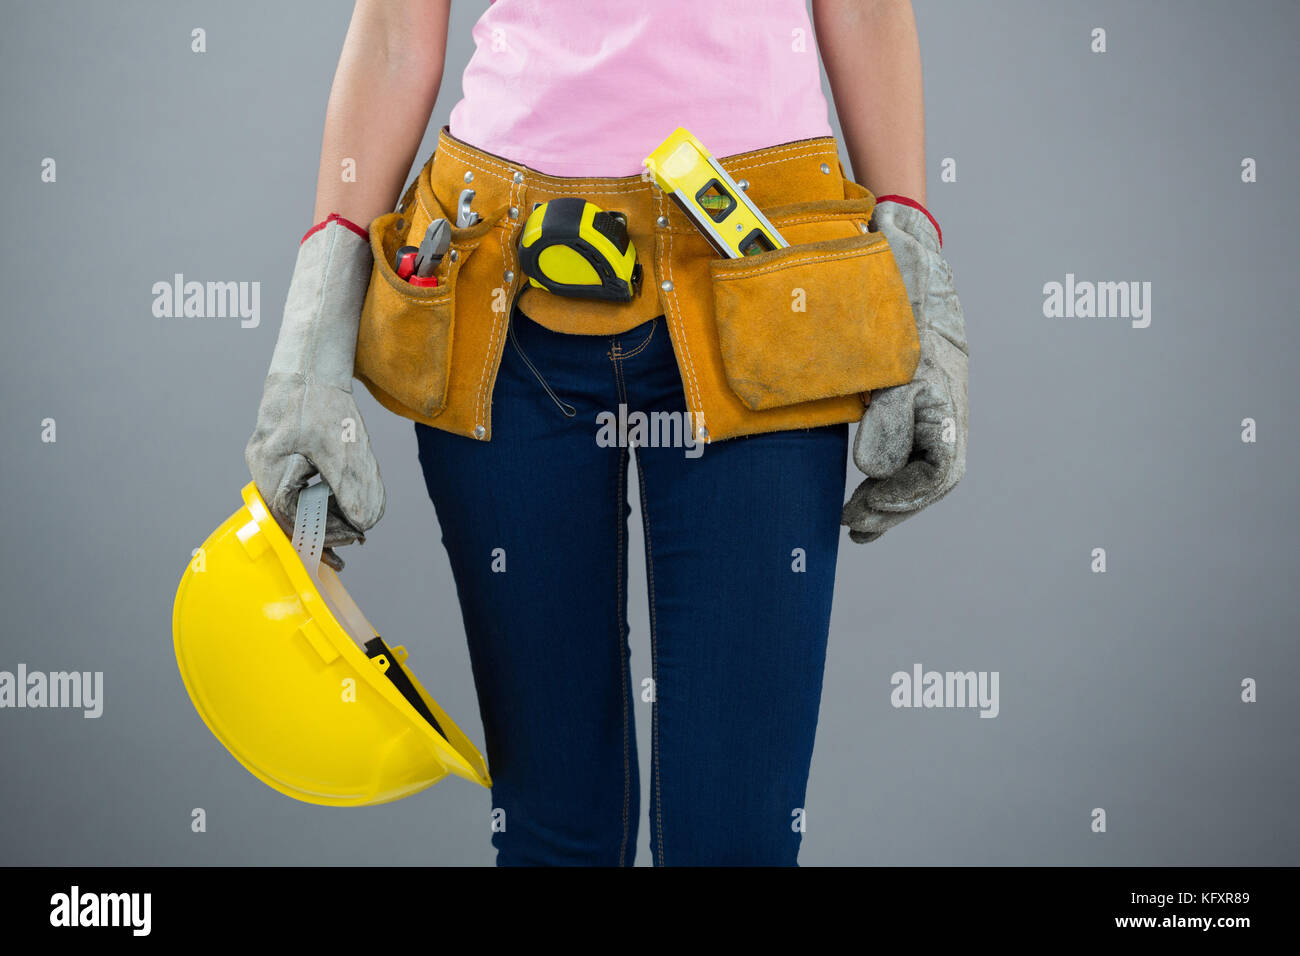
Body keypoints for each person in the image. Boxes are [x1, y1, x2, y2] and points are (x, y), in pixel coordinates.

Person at [246, 0, 968, 866]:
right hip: (501, 290)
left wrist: (916, 271)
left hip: (767, 288)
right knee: (553, 832)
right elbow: (398, 32)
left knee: (735, 843)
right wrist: (315, 328)